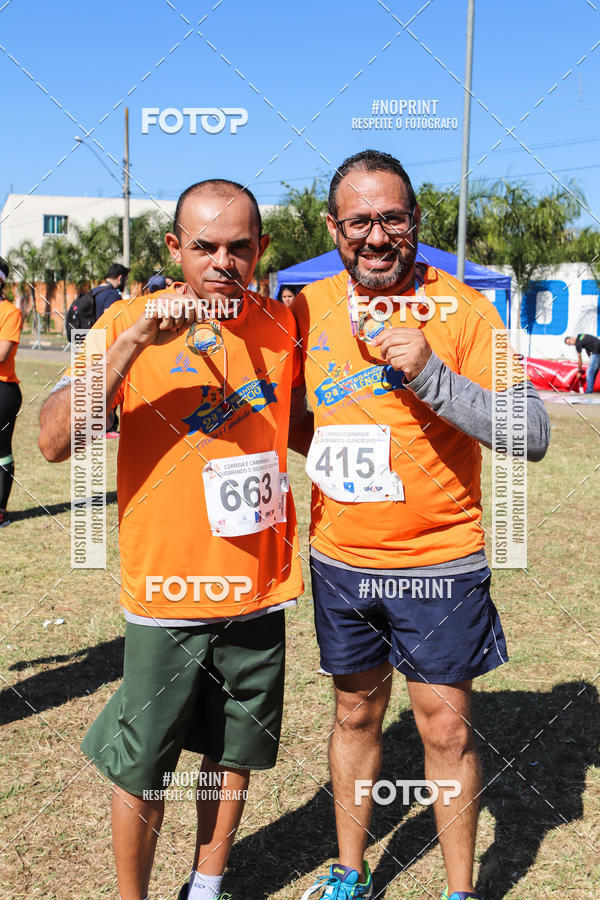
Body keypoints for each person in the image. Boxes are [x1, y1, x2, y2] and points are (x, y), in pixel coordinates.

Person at [289, 150, 551, 900]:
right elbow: (297, 419)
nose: (377, 237)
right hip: (340, 560)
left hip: (439, 564)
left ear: (416, 224)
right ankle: (349, 871)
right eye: (360, 220)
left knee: (445, 731)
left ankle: (460, 890)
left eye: (393, 219)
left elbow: (530, 432)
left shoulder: (465, 310)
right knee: (355, 717)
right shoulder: (305, 311)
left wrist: (432, 375)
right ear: (334, 228)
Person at [38, 179, 304, 900]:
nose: (223, 262)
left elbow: (312, 425)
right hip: (167, 593)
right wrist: (131, 341)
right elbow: (54, 441)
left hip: (258, 588)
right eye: (205, 246)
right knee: (145, 765)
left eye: (239, 247)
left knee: (230, 755)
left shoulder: (281, 328)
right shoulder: (125, 320)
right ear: (174, 248)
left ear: (261, 250)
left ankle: (207, 886)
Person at [0, 258, 23, 527]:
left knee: (1, 448)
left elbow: (3, 353)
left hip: (3, 388)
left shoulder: (9, 312)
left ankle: (1, 510)